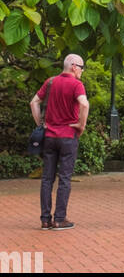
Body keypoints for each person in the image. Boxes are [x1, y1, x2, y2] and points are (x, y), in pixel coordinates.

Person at [30, 53, 89, 230]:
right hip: (68, 137)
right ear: (73, 66)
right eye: (81, 67)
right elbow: (84, 104)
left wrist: (41, 124)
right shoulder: (76, 84)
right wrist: (81, 125)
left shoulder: (50, 82)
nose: (82, 71)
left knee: (47, 178)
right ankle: (59, 219)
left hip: (49, 137)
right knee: (64, 178)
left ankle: (45, 219)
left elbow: (34, 102)